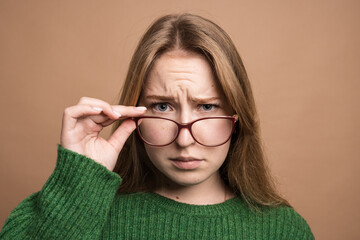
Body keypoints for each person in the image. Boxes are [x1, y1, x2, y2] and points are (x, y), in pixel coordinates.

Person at [0, 13, 314, 239]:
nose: (184, 137)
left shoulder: (283, 229)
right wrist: (78, 181)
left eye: (207, 106)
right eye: (162, 107)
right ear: (135, 114)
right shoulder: (87, 210)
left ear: (237, 117)